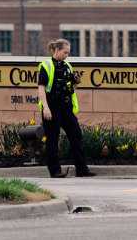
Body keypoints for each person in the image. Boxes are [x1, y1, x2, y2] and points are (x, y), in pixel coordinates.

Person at [37, 39, 96, 178]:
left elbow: (70, 89)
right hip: (52, 106)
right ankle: (55, 171)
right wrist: (45, 108)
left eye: (68, 53)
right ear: (56, 50)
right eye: (65, 52)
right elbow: (41, 88)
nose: (66, 55)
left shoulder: (68, 66)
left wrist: (77, 81)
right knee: (52, 139)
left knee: (76, 135)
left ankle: (82, 169)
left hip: (66, 106)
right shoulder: (46, 66)